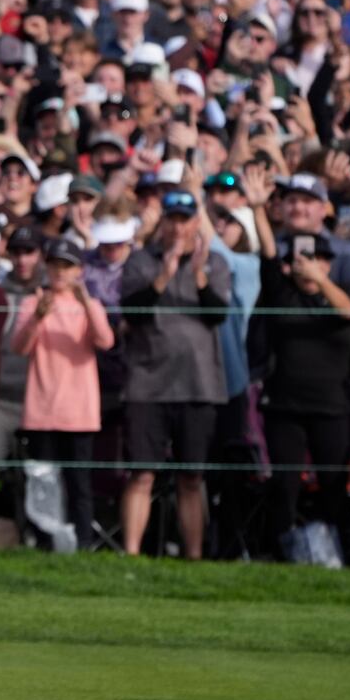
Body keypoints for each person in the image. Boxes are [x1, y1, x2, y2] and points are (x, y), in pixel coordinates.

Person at [118, 191, 232, 559]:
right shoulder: (140, 262)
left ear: (197, 224)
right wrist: (163, 277)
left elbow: (218, 314)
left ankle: (194, 555)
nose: (179, 227)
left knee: (191, 477)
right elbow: (132, 314)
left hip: (199, 386)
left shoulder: (214, 262)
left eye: (186, 220)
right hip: (148, 384)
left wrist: (197, 276)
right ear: (163, 223)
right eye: (173, 219)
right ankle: (131, 552)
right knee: (142, 474)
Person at [254, 230, 350, 560]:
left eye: (315, 259)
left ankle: (335, 554)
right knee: (285, 485)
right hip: (285, 407)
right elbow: (269, 258)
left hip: (331, 407)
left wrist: (319, 279)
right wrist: (258, 211)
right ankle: (282, 551)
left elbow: (348, 311)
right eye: (300, 260)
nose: (306, 266)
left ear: (327, 264)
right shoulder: (282, 296)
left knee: (333, 482)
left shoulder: (339, 295)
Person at [9, 238, 116, 551]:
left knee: (79, 484)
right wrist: (38, 317)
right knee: (43, 481)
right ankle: (46, 542)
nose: (59, 272)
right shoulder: (34, 302)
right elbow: (20, 347)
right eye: (55, 265)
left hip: (79, 413)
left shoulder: (90, 306)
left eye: (67, 266)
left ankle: (82, 544)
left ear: (79, 271)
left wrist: (86, 306)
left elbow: (105, 340)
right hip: (41, 410)